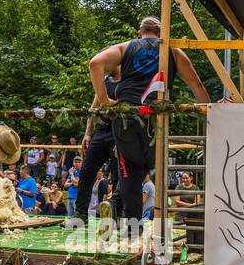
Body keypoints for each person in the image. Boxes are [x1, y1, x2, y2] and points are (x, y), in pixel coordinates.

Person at [88, 16, 212, 231]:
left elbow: (95, 63)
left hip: (126, 116)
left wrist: (105, 100)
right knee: (150, 169)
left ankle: (133, 229)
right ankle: (153, 227)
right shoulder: (172, 51)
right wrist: (211, 113)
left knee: (129, 172)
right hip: (156, 118)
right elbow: (196, 84)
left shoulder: (125, 48)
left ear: (140, 33)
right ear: (161, 33)